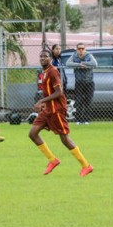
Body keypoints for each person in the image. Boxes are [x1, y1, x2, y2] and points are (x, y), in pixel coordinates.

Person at [28, 49, 93, 177]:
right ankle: (52, 160)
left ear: (50, 59)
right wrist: (44, 103)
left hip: (56, 110)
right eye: (41, 56)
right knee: (33, 134)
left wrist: (41, 101)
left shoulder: (53, 71)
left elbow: (59, 92)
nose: (43, 58)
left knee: (65, 139)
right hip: (48, 110)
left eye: (46, 56)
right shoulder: (44, 72)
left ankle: (86, 165)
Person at [66, 43, 97, 125]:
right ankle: (78, 120)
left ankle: (87, 120)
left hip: (89, 82)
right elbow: (68, 63)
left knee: (88, 101)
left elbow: (95, 64)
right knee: (79, 102)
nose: (81, 50)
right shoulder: (74, 56)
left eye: (82, 48)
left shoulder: (89, 55)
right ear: (76, 49)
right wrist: (79, 65)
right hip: (79, 83)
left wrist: (85, 64)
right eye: (79, 48)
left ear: (85, 49)